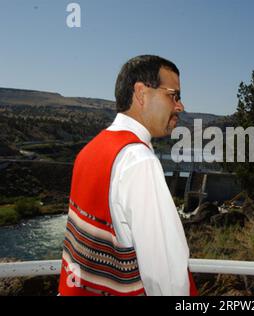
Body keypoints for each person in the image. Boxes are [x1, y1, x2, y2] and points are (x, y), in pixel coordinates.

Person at [58, 55, 197, 296]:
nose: (180, 106)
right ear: (141, 93)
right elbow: (166, 275)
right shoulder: (139, 161)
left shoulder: (90, 150)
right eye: (173, 95)